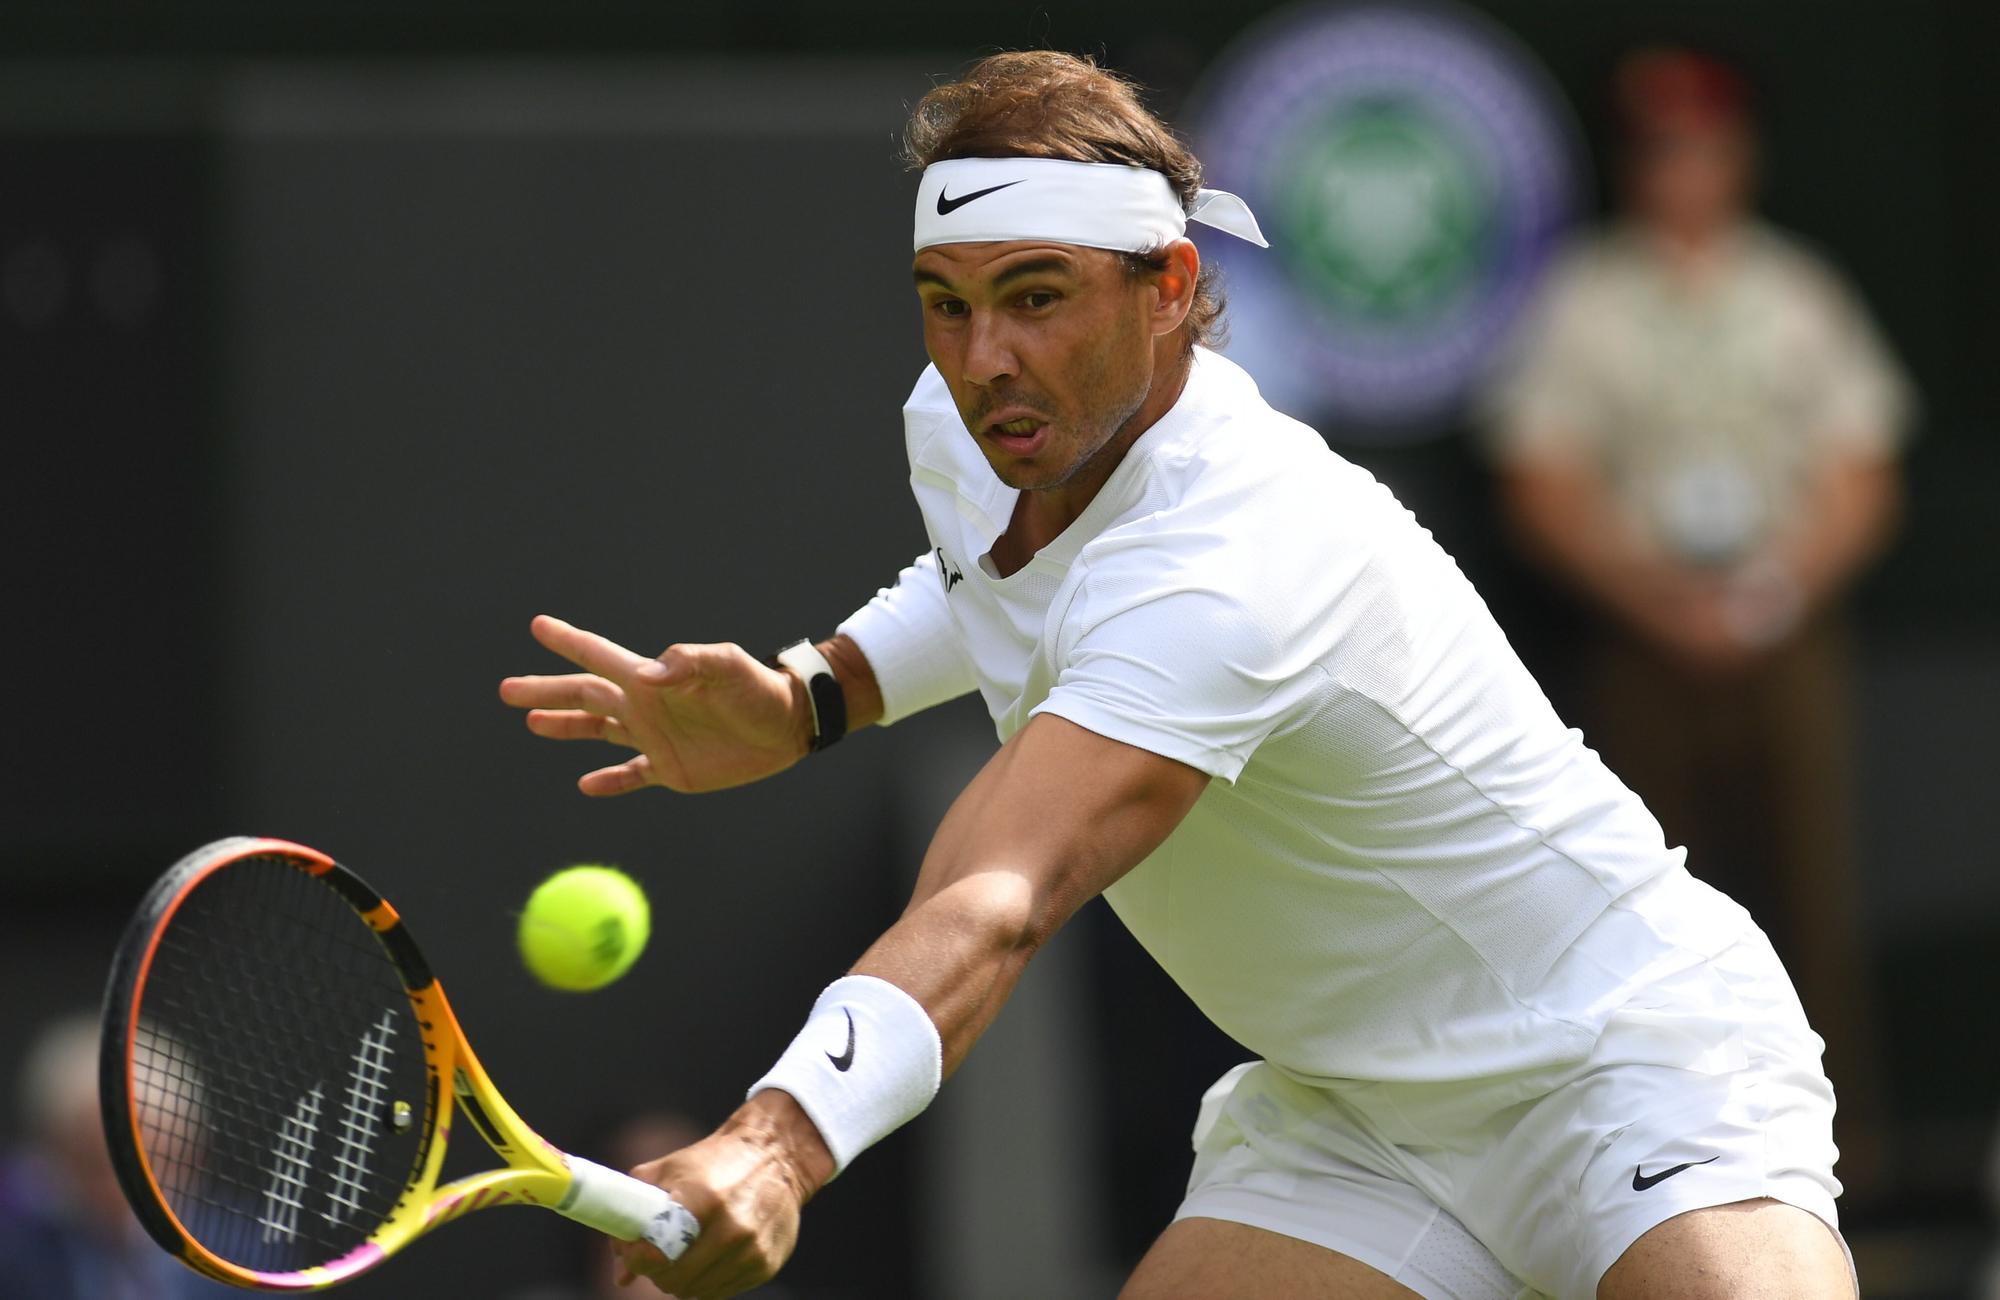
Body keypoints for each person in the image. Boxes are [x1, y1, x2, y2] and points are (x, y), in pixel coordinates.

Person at [500, 51, 1855, 1300]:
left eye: (1037, 298)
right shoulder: (981, 428)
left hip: (1623, 1060)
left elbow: (999, 894)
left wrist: (776, 1147)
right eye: (948, 306)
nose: (986, 362)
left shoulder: (1236, 557)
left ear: (1163, 288)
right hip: (1353, 1120)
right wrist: (816, 695)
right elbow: (994, 583)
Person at [1486, 47, 1911, 1193]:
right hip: (1639, 643)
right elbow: (1541, 481)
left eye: (1702, 147)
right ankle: (1662, 1174)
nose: (1681, 172)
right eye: (1657, 150)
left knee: (1808, 896)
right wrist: (1657, 599)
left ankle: (1837, 1173)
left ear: (1739, 157)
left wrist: (1773, 589)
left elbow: (1861, 469)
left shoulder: (1793, 292)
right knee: (1645, 905)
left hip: (1785, 635)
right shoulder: (1584, 300)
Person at [0, 1015, 235, 1300]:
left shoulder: (248, 1256)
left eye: (157, 1163)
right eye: (97, 1166)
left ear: (196, 1157)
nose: (125, 1194)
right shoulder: (14, 1252)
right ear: (53, 1156)